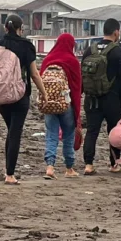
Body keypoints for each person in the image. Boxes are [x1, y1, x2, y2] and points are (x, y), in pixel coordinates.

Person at [0, 15, 47, 185]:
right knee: (15, 132)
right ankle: (10, 174)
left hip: (0, 93)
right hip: (20, 95)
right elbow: (34, 74)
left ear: (5, 28)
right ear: (21, 29)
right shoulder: (26, 46)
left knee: (11, 130)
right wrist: (43, 93)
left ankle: (9, 171)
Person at [82, 19, 121, 175]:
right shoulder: (119, 52)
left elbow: (84, 74)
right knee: (114, 132)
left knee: (91, 131)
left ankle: (88, 165)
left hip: (92, 98)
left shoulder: (90, 50)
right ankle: (114, 164)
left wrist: (83, 92)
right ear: (116, 32)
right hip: (112, 99)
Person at [40, 33, 82, 180]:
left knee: (51, 134)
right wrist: (77, 110)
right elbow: (77, 88)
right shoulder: (72, 61)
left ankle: (50, 167)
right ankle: (69, 168)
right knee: (68, 135)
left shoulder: (47, 60)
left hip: (49, 103)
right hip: (66, 104)